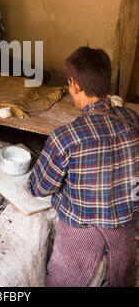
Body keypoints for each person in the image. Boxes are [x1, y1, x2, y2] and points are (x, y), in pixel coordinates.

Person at [27, 46, 139, 287]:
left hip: (80, 242)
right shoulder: (133, 120)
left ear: (74, 85)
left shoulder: (66, 138)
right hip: (124, 235)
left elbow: (39, 188)